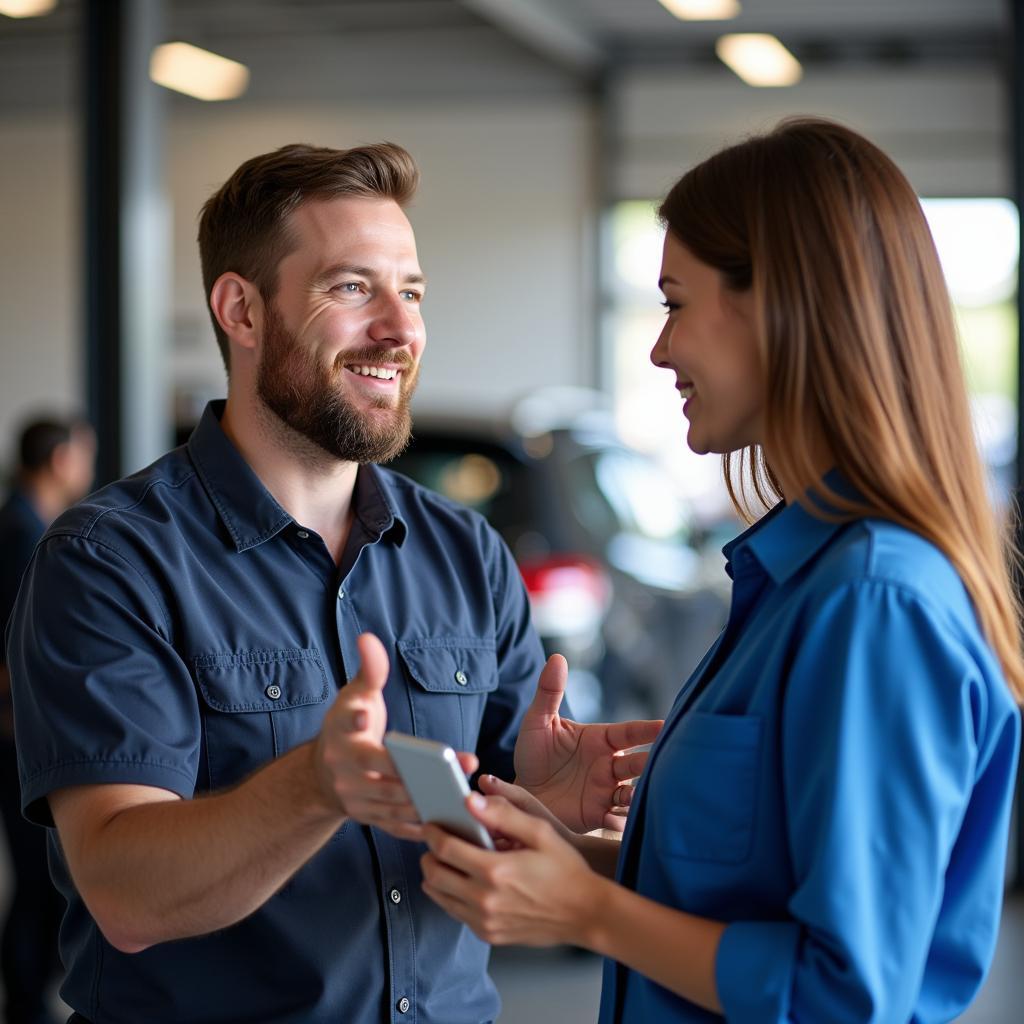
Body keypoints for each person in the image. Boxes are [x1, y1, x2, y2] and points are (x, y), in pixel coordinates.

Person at [6, 143, 659, 1024]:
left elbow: (492, 839)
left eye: (413, 292)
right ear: (241, 309)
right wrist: (314, 785)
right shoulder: (110, 562)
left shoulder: (467, 554)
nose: (400, 328)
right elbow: (126, 894)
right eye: (352, 288)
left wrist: (547, 810)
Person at [420, 117, 1024, 1023]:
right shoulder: (794, 575)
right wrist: (558, 860)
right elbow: (750, 899)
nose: (659, 350)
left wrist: (588, 911)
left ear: (779, 302)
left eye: (673, 302)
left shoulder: (875, 603)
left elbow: (845, 994)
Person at [0, 416, 95, 1024]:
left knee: (38, 887)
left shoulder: (27, 525)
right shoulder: (23, 532)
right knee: (39, 886)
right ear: (60, 459)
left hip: (20, 730)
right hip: (14, 734)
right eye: (82, 456)